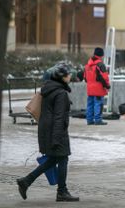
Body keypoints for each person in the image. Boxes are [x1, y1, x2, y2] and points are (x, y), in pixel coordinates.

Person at [16, 64, 79, 202]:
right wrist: (56, 138)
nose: (70, 76)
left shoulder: (48, 89)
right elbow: (58, 117)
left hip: (46, 130)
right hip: (55, 132)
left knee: (53, 159)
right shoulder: (61, 93)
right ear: (62, 77)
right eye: (68, 74)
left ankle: (26, 181)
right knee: (62, 158)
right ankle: (62, 192)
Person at [83, 47, 110, 126]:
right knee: (98, 104)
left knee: (90, 104)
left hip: (90, 89)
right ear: (101, 55)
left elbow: (85, 78)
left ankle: (89, 120)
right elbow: (105, 77)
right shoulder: (100, 65)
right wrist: (107, 86)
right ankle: (98, 120)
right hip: (98, 89)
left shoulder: (87, 65)